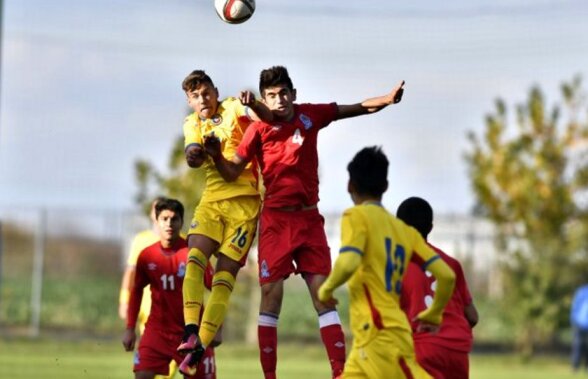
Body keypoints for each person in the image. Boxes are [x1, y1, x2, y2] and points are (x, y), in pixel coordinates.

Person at [204, 66, 406, 379]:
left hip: (309, 220)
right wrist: (216, 156)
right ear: (264, 99)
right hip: (275, 220)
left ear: (293, 94)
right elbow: (231, 173)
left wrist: (388, 100)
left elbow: (354, 108)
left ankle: (339, 373)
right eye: (271, 95)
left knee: (322, 294)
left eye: (283, 93)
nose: (279, 99)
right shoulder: (256, 131)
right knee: (271, 295)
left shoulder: (309, 115)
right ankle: (270, 376)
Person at [317, 146, 456, 379]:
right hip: (366, 341)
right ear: (386, 187)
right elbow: (446, 275)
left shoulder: (356, 216)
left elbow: (349, 261)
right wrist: (434, 313)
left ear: (350, 186)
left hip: (383, 336)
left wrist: (326, 289)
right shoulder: (403, 231)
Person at [177, 70, 272, 376]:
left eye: (206, 93)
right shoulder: (192, 123)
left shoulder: (232, 106)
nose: (203, 99)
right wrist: (196, 153)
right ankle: (191, 330)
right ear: (189, 101)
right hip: (212, 203)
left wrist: (253, 103)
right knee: (193, 259)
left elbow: (260, 115)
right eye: (195, 96)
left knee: (224, 277)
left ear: (216, 92)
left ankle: (199, 348)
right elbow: (192, 153)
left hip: (245, 206)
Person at [122, 198, 217, 379]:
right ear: (156, 222)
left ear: (182, 222)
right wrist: (129, 328)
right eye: (164, 219)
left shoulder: (194, 254)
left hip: (192, 334)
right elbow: (136, 291)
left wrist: (215, 328)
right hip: (157, 332)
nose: (169, 224)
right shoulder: (147, 255)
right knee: (141, 375)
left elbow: (217, 289)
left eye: (174, 219)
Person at [397, 197, 479, 379]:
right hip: (457, 352)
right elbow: (472, 316)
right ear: (431, 228)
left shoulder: (396, 266)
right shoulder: (451, 264)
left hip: (422, 350)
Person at [119, 196, 180, 379]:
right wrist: (124, 300)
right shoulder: (141, 240)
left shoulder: (182, 242)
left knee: (171, 365)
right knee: (151, 355)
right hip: (147, 308)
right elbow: (131, 272)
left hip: (175, 313)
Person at [570, 284, 588, 372]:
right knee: (578, 345)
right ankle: (575, 366)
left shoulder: (581, 291)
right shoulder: (582, 291)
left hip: (580, 322)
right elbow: (575, 307)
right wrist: (574, 320)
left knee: (582, 345)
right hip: (579, 323)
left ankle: (583, 367)